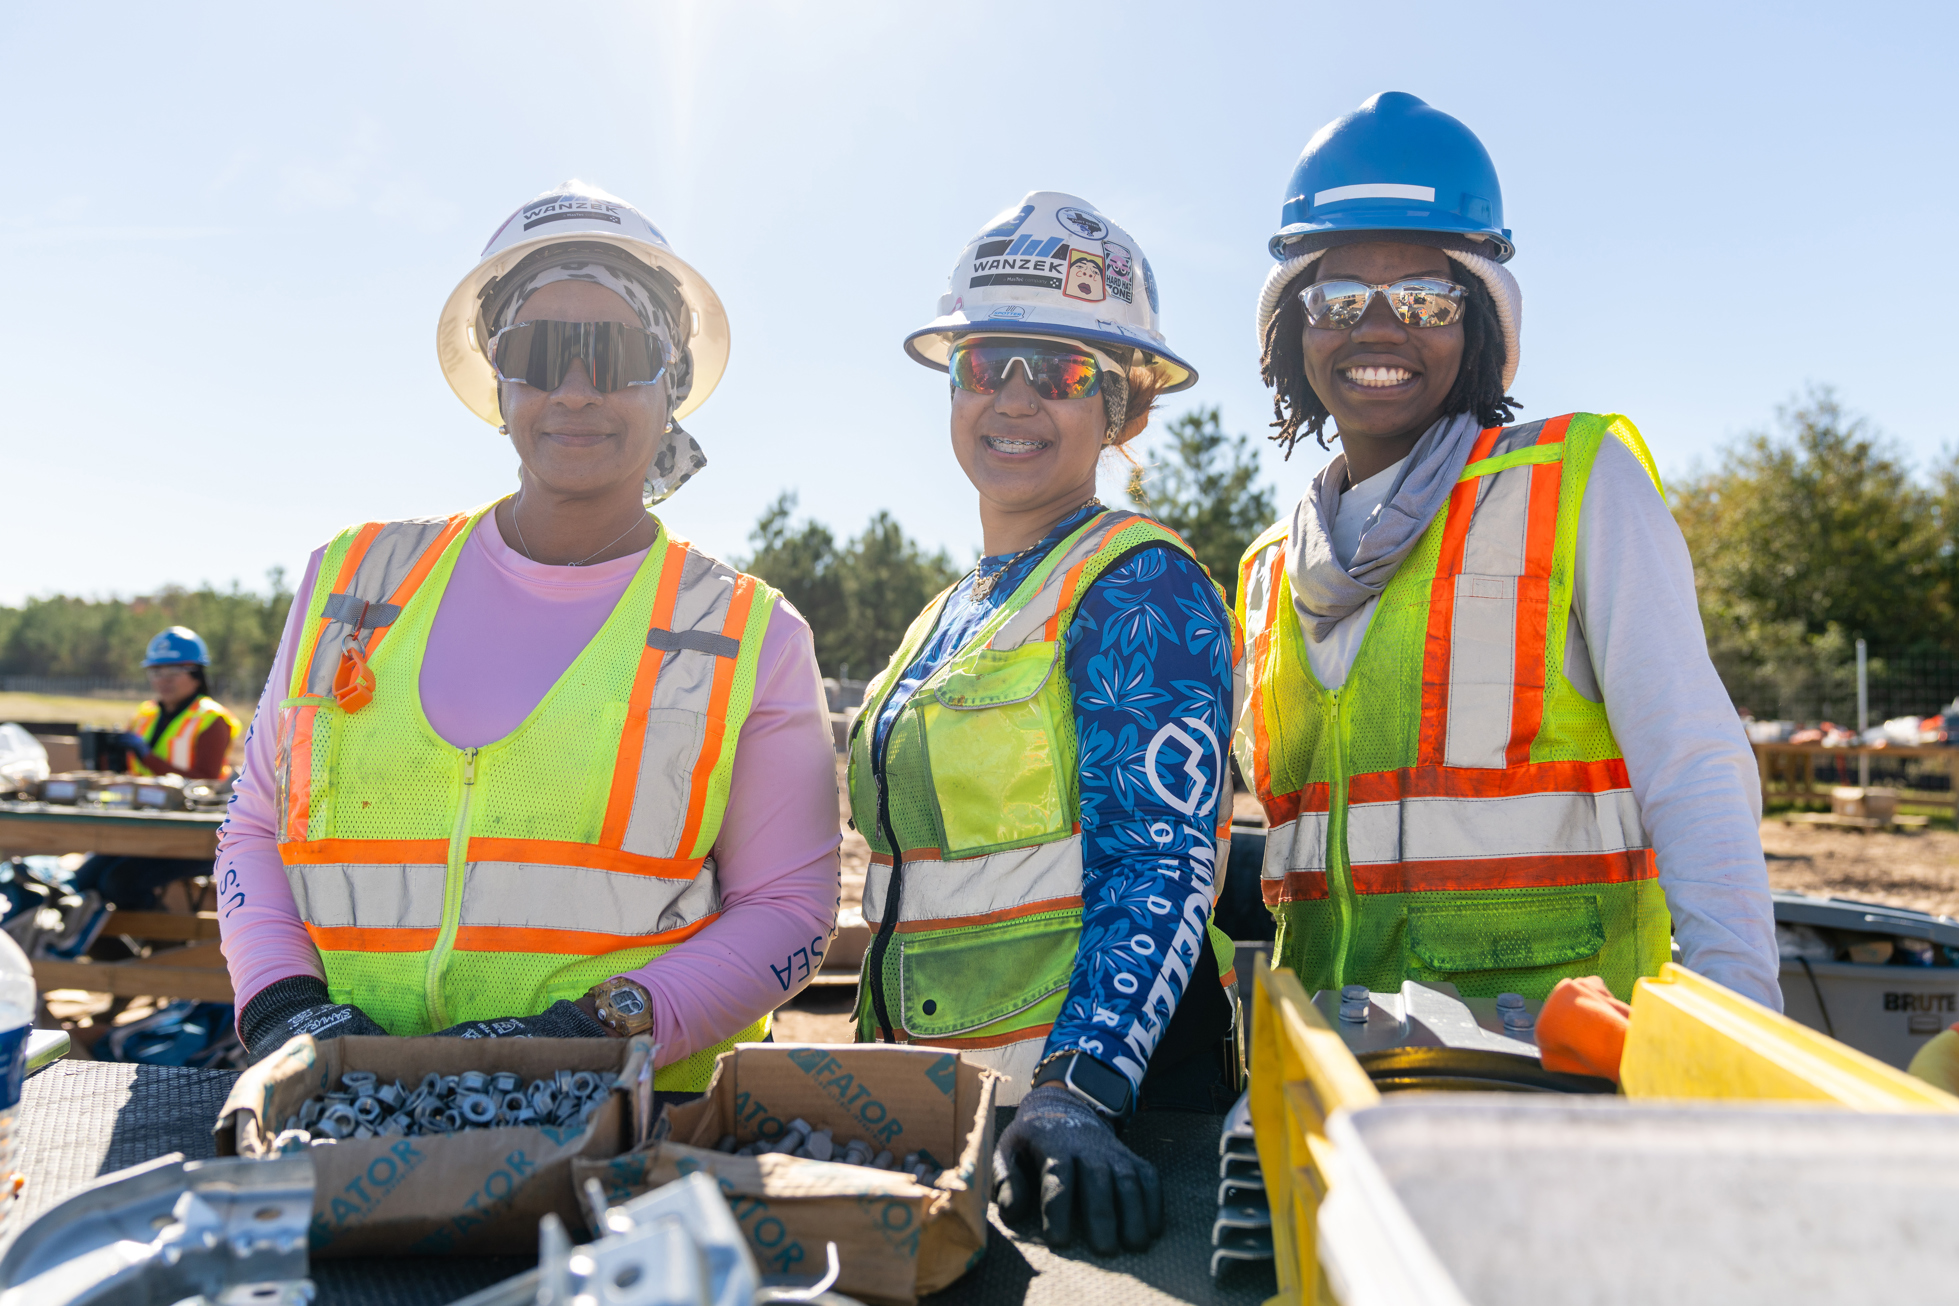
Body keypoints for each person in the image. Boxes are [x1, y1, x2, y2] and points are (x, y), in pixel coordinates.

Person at [215, 181, 841, 1092]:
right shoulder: (351, 582)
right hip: (341, 1101)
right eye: (541, 354)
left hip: (625, 1121)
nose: (576, 390)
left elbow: (789, 912)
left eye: (615, 353)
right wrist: (282, 1006)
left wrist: (595, 1030)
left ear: (670, 381)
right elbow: (254, 826)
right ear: (499, 380)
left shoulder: (747, 632)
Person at [1235, 93, 1780, 1009]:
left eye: (1424, 297)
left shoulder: (1575, 485)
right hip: (1330, 1077)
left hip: (1552, 1072)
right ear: (1294, 328)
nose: (1378, 328)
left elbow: (1693, 762)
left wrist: (1737, 1022)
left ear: (1482, 324)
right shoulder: (1269, 572)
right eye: (1336, 298)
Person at [853, 192, 1239, 1255]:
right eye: (988, 365)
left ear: (1122, 409)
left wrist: (1080, 1091)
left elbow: (1161, 865)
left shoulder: (1139, 587)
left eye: (1064, 373)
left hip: (1093, 1137)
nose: (1015, 398)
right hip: (955, 1116)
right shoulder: (956, 608)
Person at [50, 626, 245, 954]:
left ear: (195, 673)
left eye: (173, 670)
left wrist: (148, 756)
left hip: (189, 837)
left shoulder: (213, 720)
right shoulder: (144, 715)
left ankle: (169, 955)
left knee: (119, 882)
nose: (163, 679)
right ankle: (119, 965)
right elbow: (128, 774)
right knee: (78, 884)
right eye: (155, 671)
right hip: (138, 829)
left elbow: (206, 783)